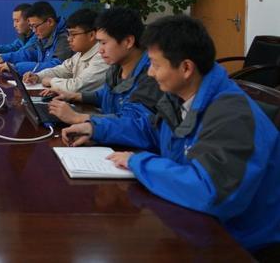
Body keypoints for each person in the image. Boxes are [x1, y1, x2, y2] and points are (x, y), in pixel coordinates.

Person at [61, 16, 280, 258]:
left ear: (186, 68)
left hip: (240, 243)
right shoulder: (179, 96)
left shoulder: (232, 116)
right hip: (193, 223)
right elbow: (150, 130)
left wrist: (137, 162)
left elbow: (209, 192)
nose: (150, 73)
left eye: (155, 65)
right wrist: (96, 128)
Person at [47, 7, 163, 125]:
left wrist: (79, 118)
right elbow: (110, 96)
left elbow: (135, 123)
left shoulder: (151, 75)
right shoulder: (116, 67)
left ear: (128, 41)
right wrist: (76, 96)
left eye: (103, 43)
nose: (100, 50)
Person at [23, 8, 108, 93]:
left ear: (91, 35)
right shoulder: (80, 54)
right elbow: (62, 70)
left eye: (73, 34)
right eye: (69, 34)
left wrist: (51, 81)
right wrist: (38, 76)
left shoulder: (102, 57)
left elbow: (76, 87)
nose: (69, 39)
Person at [0, 1, 72, 75]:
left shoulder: (65, 38)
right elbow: (30, 53)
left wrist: (17, 67)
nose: (34, 30)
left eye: (35, 26)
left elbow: (56, 66)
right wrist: (5, 57)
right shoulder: (44, 36)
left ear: (50, 22)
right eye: (31, 26)